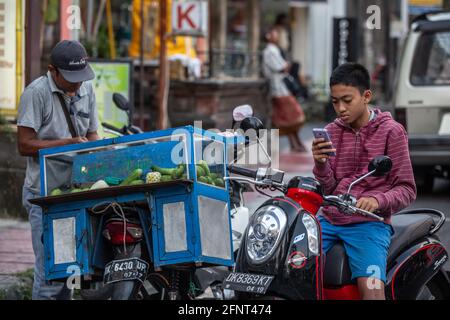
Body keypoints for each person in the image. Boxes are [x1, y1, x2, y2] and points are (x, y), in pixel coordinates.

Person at [311, 63, 416, 300]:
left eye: (347, 100)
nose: (340, 108)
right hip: (327, 219)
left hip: (369, 224)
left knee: (371, 291)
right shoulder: (331, 131)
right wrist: (320, 164)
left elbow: (407, 189)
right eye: (335, 101)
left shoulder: (392, 132)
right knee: (290, 269)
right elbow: (328, 188)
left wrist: (376, 200)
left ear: (366, 96)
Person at [17, 40, 100, 300]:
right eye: (70, 79)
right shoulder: (36, 93)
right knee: (49, 270)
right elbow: (24, 145)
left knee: (73, 268)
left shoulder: (86, 88)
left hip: (77, 191)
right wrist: (66, 144)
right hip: (44, 195)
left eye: (80, 78)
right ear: (53, 71)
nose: (77, 85)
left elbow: (92, 134)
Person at [262, 27, 307, 152]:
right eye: (274, 33)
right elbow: (281, 67)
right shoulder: (269, 51)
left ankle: (295, 142)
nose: (277, 36)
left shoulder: (274, 50)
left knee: (289, 117)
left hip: (281, 88)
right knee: (291, 115)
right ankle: (295, 142)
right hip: (278, 89)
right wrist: (287, 65)